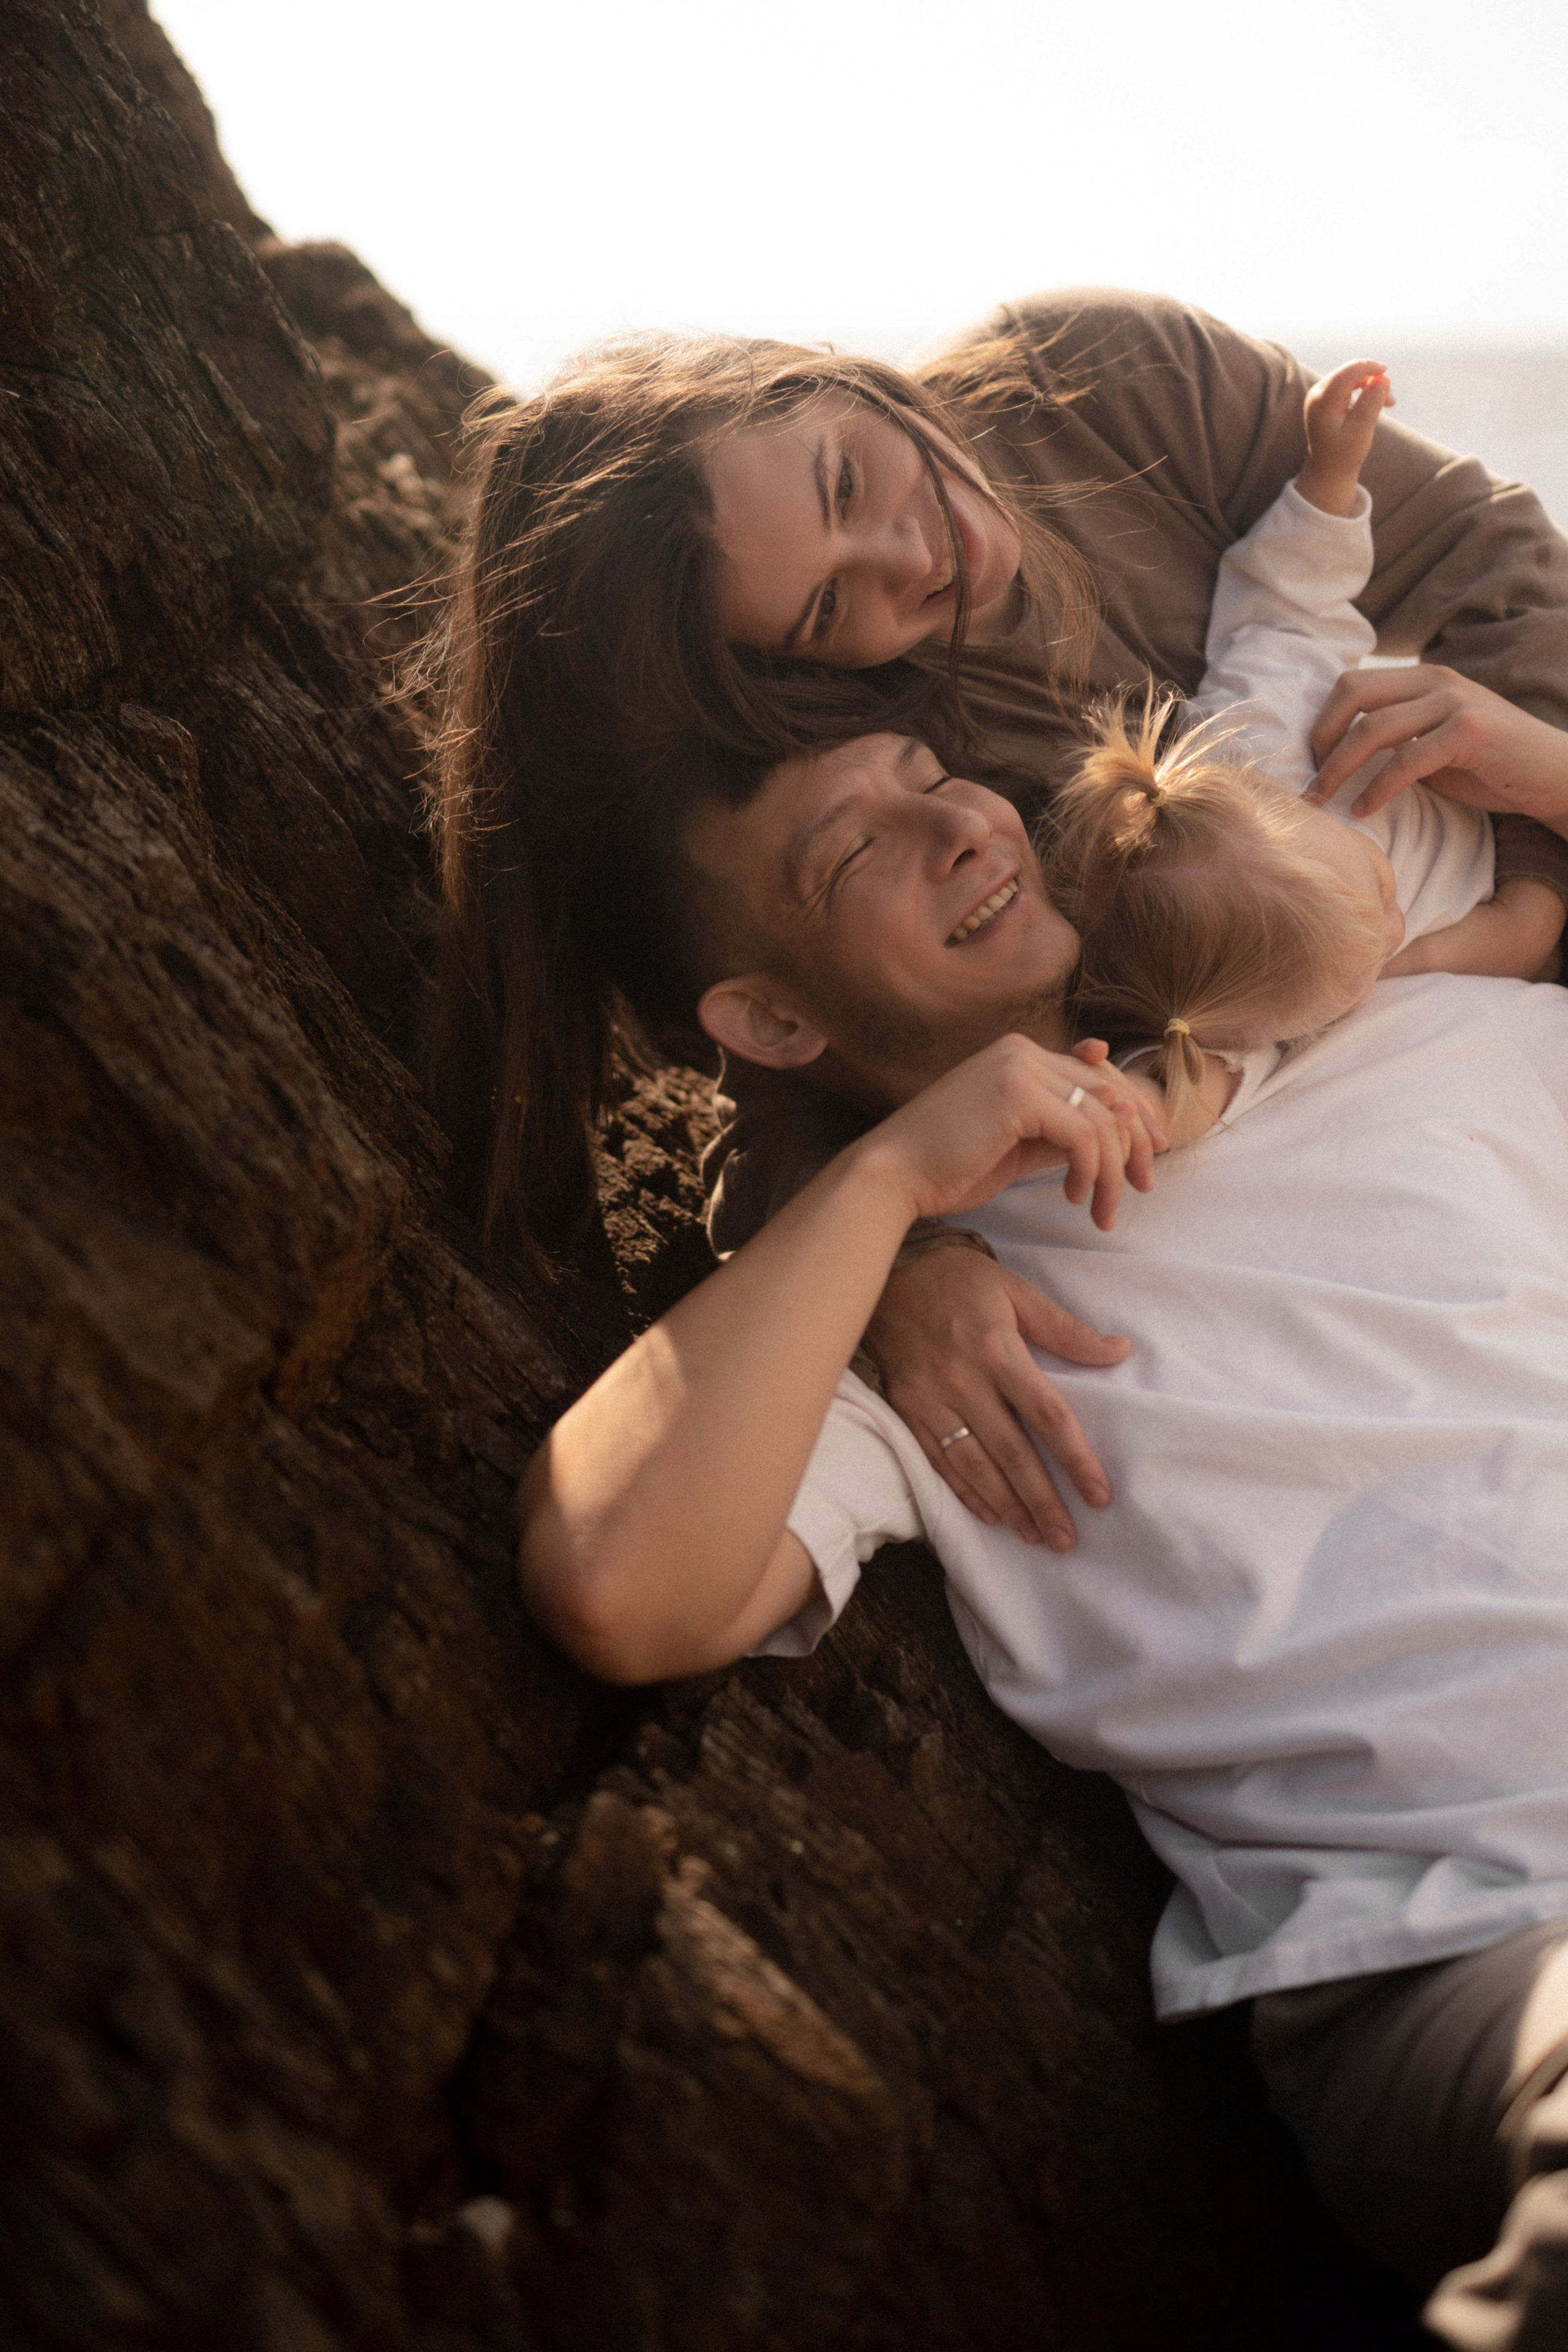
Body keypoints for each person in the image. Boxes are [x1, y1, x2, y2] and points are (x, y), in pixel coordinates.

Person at [513, 715, 1568, 2348]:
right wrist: (878, 1201)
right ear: (772, 1016)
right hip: (1483, 1957)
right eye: (858, 848)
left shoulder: (1392, 1005)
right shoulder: (931, 1357)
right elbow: (617, 1580)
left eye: (935, 774)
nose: (957, 828)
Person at [426, 290, 1568, 1554]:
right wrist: (901, 1268)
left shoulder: (1105, 378)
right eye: (821, 607)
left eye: (849, 478)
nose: (911, 557)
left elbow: (1498, 559)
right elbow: (782, 1085)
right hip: (1421, 1048)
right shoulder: (930, 770)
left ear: (828, 380)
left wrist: (1533, 878)